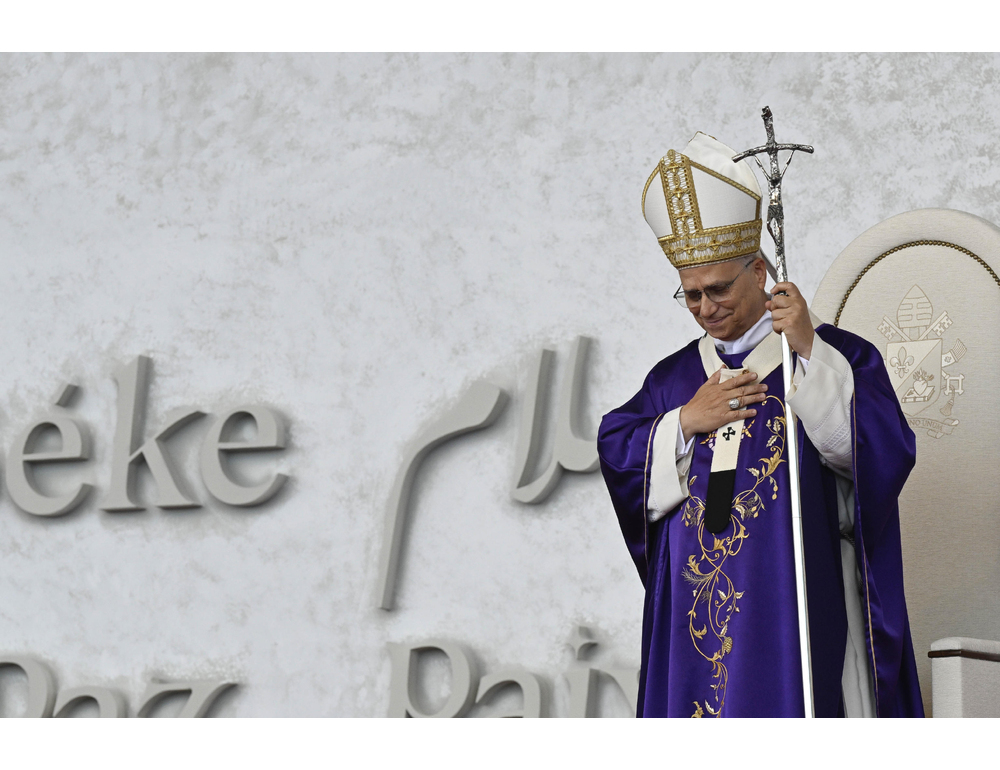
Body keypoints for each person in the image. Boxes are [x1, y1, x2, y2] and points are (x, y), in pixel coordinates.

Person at [597, 132, 924, 717]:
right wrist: (682, 422)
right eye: (690, 295)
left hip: (795, 609)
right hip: (694, 623)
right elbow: (618, 448)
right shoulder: (674, 380)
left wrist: (807, 353)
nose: (705, 307)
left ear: (760, 270)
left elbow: (880, 456)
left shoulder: (832, 356)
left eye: (719, 288)